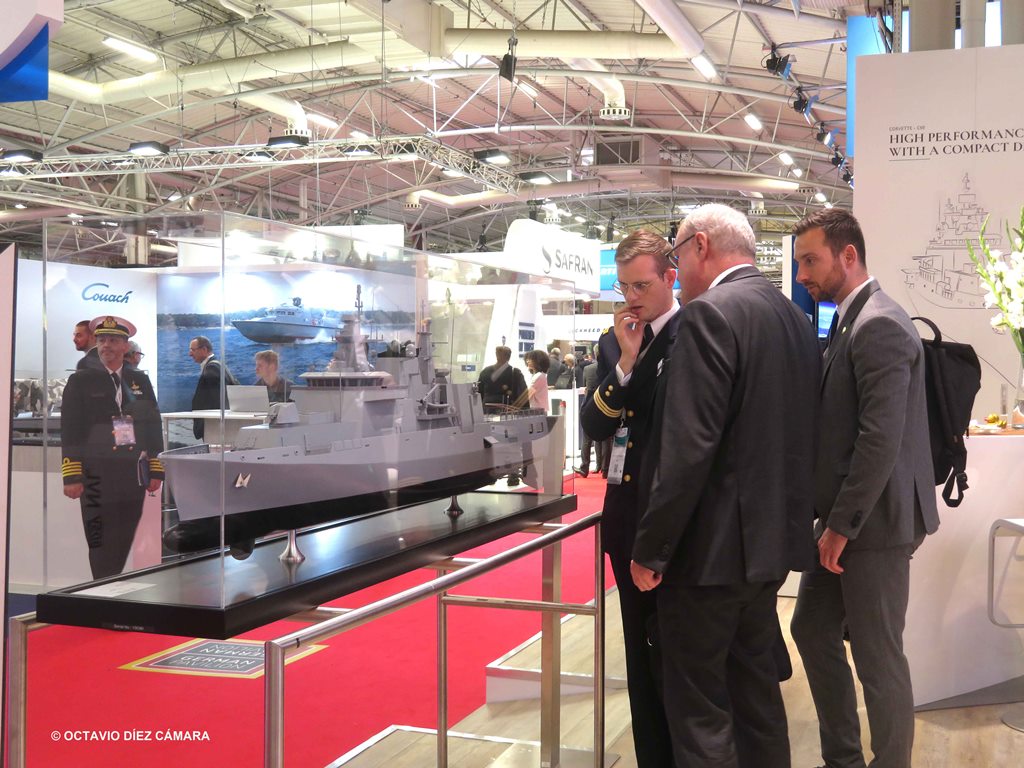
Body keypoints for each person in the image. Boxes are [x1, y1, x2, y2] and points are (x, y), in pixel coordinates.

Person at [630, 204, 821, 767]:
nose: (678, 272)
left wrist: (652, 548)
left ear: (701, 245)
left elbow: (688, 447)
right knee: (756, 699)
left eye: (677, 254)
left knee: (700, 714)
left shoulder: (711, 314)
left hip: (708, 556)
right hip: (768, 550)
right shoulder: (793, 317)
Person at [790, 208, 939, 768]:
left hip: (873, 525)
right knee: (811, 629)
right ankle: (844, 758)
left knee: (878, 656)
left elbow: (880, 441)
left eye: (811, 260)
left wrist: (839, 527)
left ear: (847, 255)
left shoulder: (879, 324)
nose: (802, 274)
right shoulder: (850, 320)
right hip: (846, 521)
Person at [579, 228, 682, 767]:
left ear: (670, 277)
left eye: (642, 285)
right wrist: (624, 363)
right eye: (624, 287)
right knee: (639, 661)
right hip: (625, 519)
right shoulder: (614, 340)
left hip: (674, 524)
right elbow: (595, 425)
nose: (632, 298)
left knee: (676, 660)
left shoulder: (694, 332)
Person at [61, 315, 164, 580]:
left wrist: (156, 467)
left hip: (131, 471)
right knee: (99, 539)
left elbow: (153, 424)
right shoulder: (81, 380)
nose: (106, 345)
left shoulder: (139, 380)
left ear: (125, 346)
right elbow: (70, 429)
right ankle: (101, 587)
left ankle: (112, 584)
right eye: (102, 340)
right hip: (95, 473)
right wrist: (72, 475)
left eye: (113, 340)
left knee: (124, 534)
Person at [188, 335, 239, 439]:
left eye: (193, 350)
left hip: (214, 427)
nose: (190, 354)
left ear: (204, 349)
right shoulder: (218, 365)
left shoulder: (212, 369)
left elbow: (217, 401)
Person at [577, 343, 611, 478]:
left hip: (590, 404)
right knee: (605, 438)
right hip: (605, 404)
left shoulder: (587, 369)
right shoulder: (610, 368)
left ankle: (586, 467)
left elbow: (585, 386)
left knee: (587, 438)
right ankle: (605, 469)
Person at [477, 345, 527, 412]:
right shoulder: (515, 372)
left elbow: (479, 392)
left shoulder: (515, 373)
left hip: (497, 408)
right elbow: (479, 391)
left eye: (500, 354)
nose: (499, 357)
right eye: (498, 354)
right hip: (496, 408)